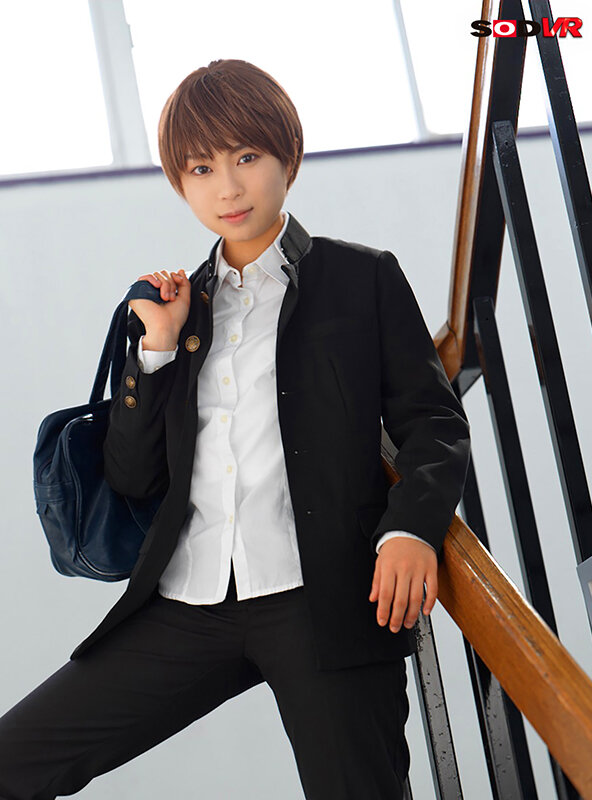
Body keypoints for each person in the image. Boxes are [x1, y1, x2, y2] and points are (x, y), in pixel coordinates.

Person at [0, 59, 471, 799]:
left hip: (321, 601)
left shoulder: (361, 279)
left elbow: (433, 421)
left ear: (288, 156)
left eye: (246, 156)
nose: (227, 187)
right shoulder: (176, 308)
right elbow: (133, 477)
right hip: (185, 604)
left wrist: (410, 528)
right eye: (200, 168)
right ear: (180, 183)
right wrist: (156, 350)